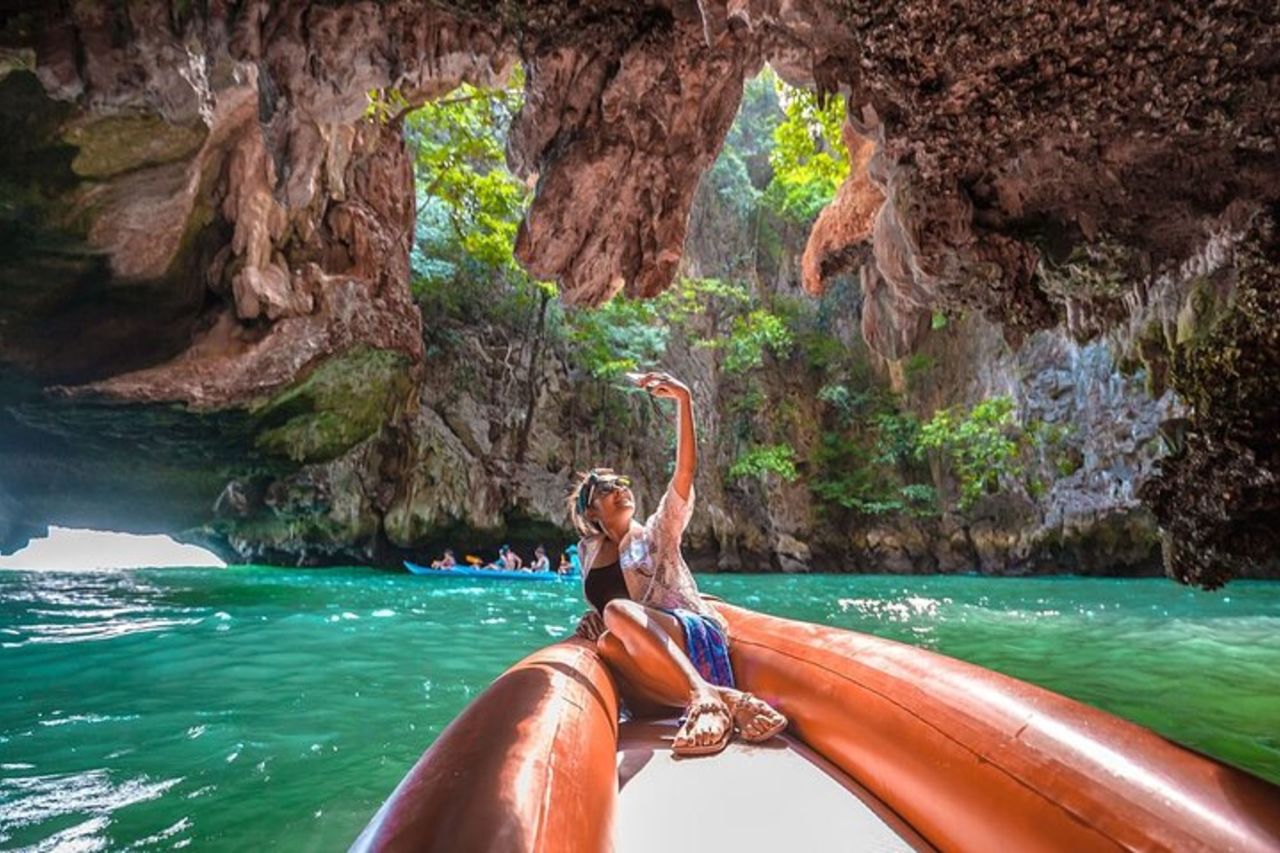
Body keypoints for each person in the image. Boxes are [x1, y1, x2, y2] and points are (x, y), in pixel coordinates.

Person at [568, 371, 786, 757]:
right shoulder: (588, 551)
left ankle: (704, 696)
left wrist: (684, 400)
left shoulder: (657, 532)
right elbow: (606, 606)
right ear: (591, 510)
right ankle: (730, 701)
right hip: (648, 665)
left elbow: (683, 472)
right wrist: (592, 616)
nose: (620, 489)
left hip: (690, 634)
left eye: (621, 482)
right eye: (606, 488)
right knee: (607, 643)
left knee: (619, 611)